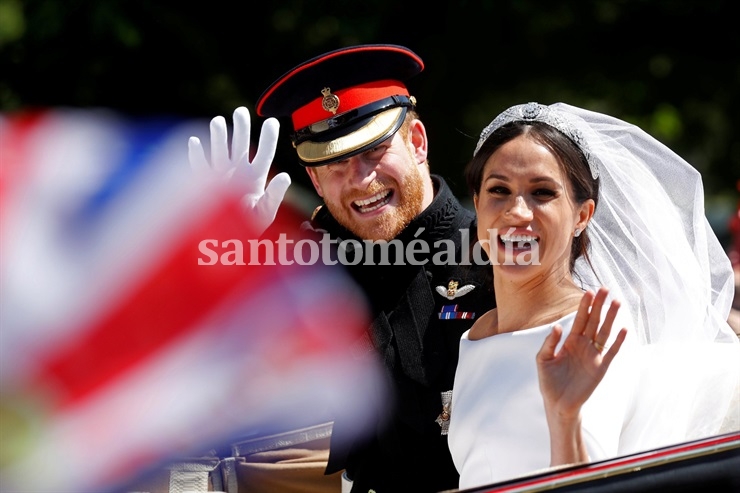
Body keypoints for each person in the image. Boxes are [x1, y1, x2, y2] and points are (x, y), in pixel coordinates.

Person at [188, 45, 496, 493]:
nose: (360, 178)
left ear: (417, 143)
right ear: (313, 180)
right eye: (333, 162)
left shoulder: (495, 257)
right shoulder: (306, 275)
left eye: (374, 151)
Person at [447, 102, 740, 490]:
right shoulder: (479, 331)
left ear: (583, 215)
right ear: (478, 203)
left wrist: (564, 416)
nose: (517, 212)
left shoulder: (590, 330)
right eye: (499, 190)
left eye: (542, 192)